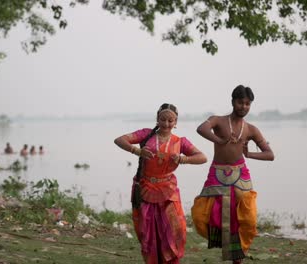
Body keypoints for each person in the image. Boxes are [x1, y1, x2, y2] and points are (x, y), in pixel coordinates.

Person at [114, 103, 207, 263]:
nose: (166, 124)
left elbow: (202, 157)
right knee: (148, 233)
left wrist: (184, 159)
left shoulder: (180, 142)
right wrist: (137, 151)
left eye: (171, 121)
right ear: (157, 119)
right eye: (163, 119)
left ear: (176, 122)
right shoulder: (146, 135)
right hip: (145, 189)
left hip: (168, 191)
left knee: (176, 230)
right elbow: (119, 140)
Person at [192, 85, 274, 263]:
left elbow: (270, 154)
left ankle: (238, 256)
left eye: (247, 103)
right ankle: (222, 242)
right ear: (232, 102)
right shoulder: (218, 120)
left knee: (248, 219)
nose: (243, 106)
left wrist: (249, 154)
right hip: (217, 172)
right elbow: (201, 129)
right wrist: (220, 140)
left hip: (240, 174)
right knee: (200, 215)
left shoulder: (251, 129)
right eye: (240, 102)